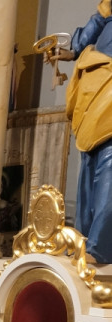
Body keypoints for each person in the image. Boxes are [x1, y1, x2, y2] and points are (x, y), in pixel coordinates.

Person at [46, 1, 112, 263]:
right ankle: (82, 242)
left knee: (108, 173)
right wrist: (69, 51)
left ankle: (99, 247)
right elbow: (96, 23)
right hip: (94, 85)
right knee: (88, 173)